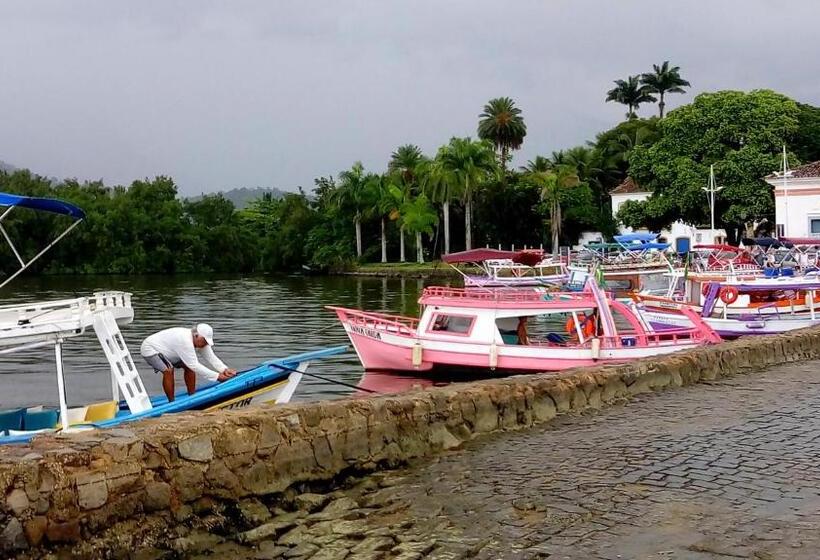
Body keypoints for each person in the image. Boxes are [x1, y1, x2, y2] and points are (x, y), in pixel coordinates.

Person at [140, 323, 236, 402]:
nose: (205, 344)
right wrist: (217, 377)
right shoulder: (184, 340)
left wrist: (224, 369)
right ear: (196, 336)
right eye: (204, 341)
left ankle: (192, 396)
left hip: (170, 352)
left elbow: (210, 356)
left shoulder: (199, 340)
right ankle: (171, 402)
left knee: (188, 367)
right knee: (168, 370)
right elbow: (194, 365)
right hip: (150, 349)